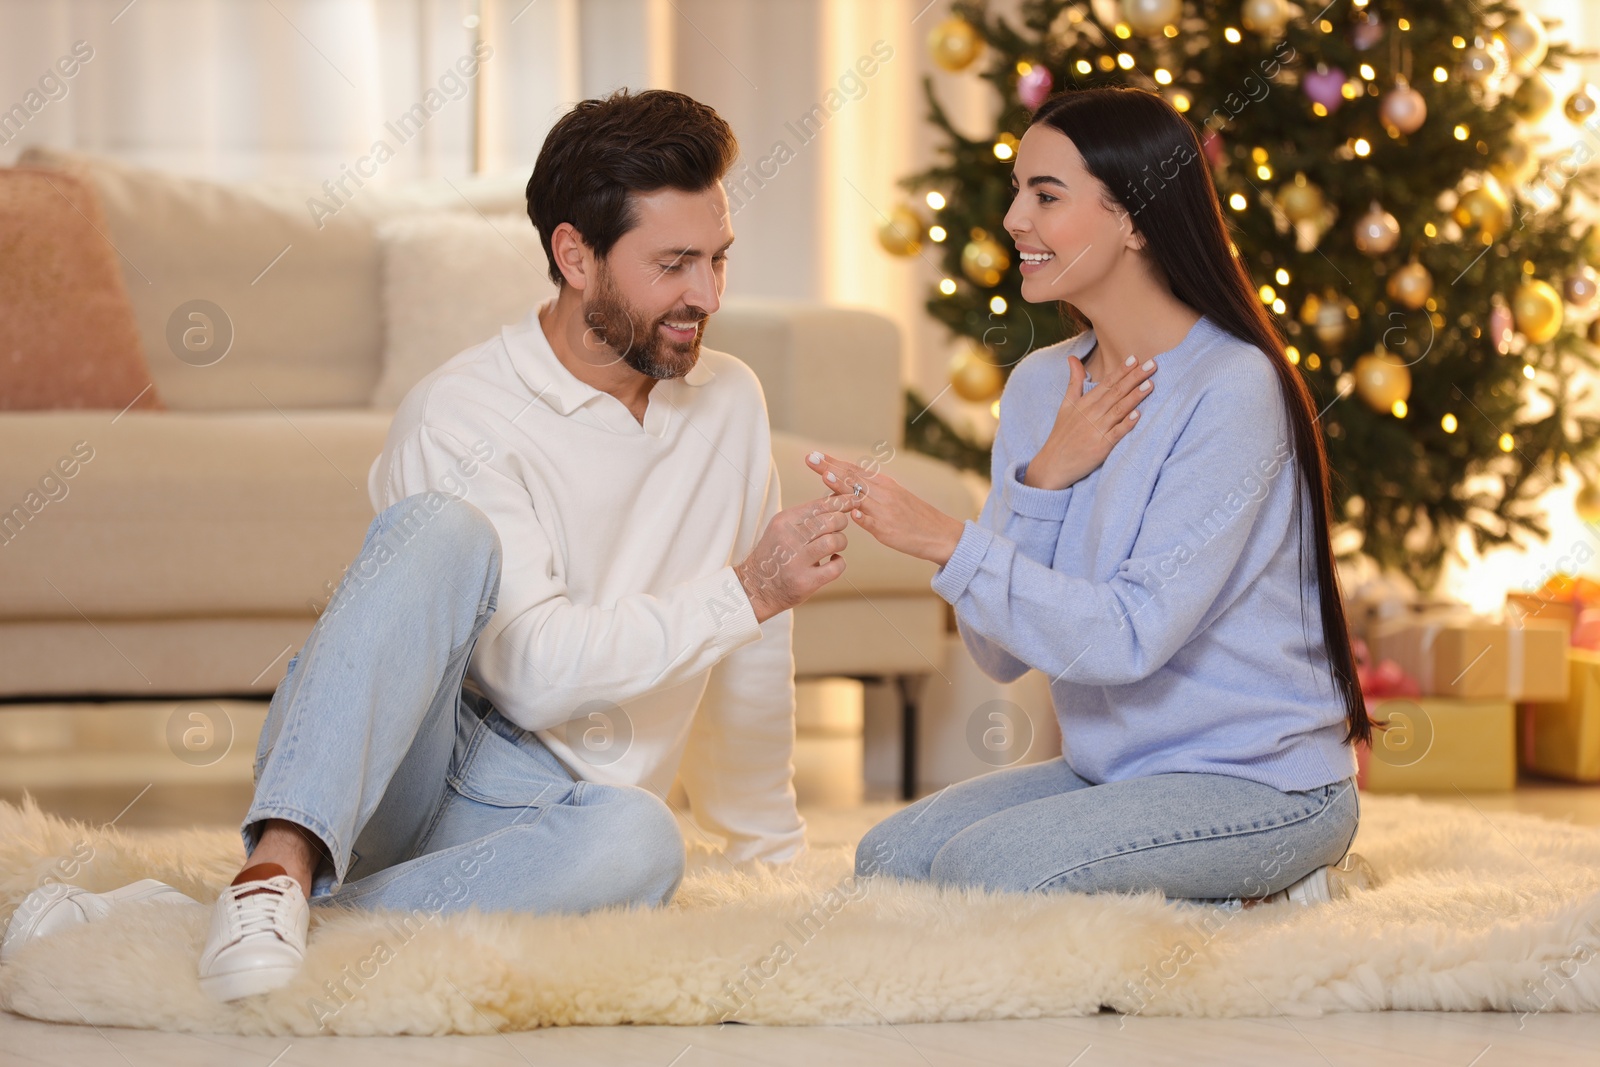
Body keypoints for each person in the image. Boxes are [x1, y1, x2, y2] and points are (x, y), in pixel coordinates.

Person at [3, 88, 853, 1000]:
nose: (707, 296)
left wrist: (771, 855)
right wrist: (746, 590)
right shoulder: (462, 412)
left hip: (554, 811)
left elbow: (751, 646)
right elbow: (532, 670)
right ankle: (281, 861)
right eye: (675, 264)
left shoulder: (730, 402)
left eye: (718, 260)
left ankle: (211, 918)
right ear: (575, 255)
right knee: (440, 529)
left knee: (643, 843)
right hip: (401, 763)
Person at [805, 85, 1376, 907]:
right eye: (1015, 191)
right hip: (1115, 772)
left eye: (1045, 194)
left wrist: (945, 539)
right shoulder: (1044, 387)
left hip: (1263, 787)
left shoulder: (1232, 388)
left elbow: (1131, 638)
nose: (1012, 220)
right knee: (890, 861)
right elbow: (999, 655)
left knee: (986, 875)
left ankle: (1282, 895)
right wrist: (1043, 482)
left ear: (1136, 220)